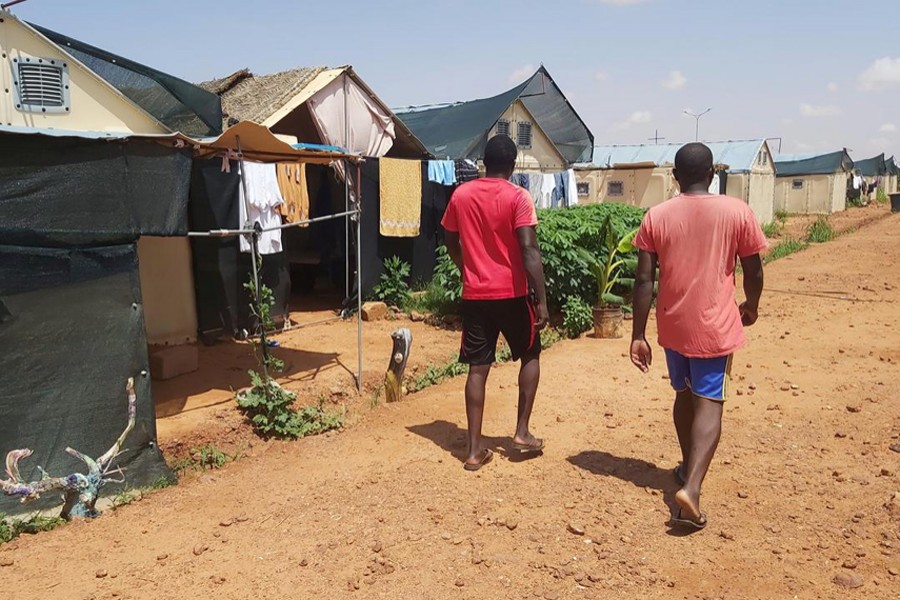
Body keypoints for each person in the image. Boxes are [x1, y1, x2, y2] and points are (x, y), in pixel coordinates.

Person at [629, 142, 767, 529]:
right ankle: (692, 487)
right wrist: (751, 305)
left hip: (673, 325)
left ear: (675, 177)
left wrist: (637, 334)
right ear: (712, 174)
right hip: (715, 325)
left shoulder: (656, 216)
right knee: (710, 402)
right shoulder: (736, 211)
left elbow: (643, 280)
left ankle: (687, 466)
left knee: (684, 395)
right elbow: (753, 270)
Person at [441, 135, 550, 471]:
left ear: (484, 163)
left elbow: (449, 237)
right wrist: (542, 301)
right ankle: (521, 433)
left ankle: (474, 451)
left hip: (476, 295)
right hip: (514, 294)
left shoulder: (461, 194)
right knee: (530, 354)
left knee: (478, 368)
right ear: (513, 165)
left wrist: (466, 268)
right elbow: (529, 250)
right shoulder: (518, 197)